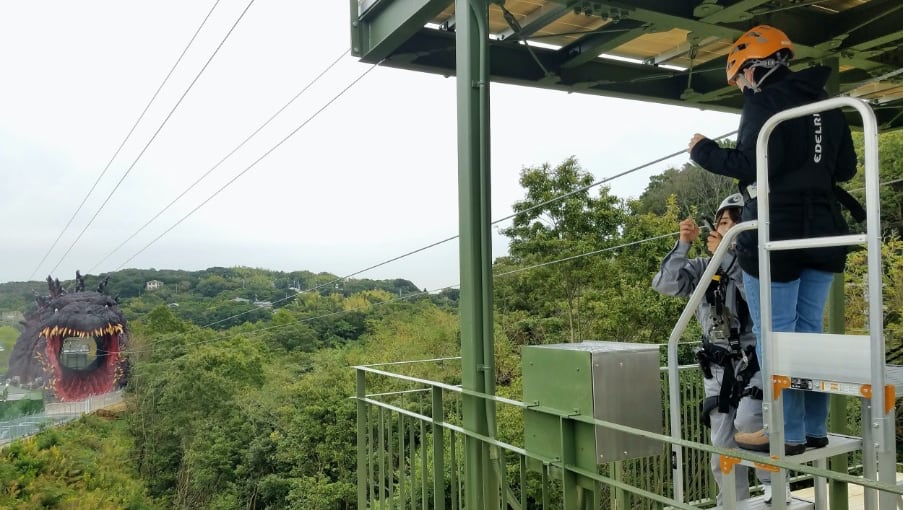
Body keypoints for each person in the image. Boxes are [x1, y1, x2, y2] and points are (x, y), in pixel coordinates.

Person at [686, 25, 858, 457]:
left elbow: (752, 163)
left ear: (752, 68)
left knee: (775, 336)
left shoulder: (763, 101)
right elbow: (846, 168)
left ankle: (785, 432)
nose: (742, 85)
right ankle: (809, 430)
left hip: (776, 233)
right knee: (808, 334)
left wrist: (703, 151)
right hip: (825, 230)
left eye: (741, 76)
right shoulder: (827, 102)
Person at [652, 193, 768, 503]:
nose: (722, 229)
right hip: (717, 370)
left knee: (751, 423)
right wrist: (683, 244)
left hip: (752, 363)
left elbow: (755, 294)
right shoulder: (704, 267)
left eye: (729, 224)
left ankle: (774, 494)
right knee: (722, 447)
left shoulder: (757, 265)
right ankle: (731, 503)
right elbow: (665, 283)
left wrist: (728, 258)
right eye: (719, 225)